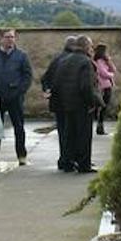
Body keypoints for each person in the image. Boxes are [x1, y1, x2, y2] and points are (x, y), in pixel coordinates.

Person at [51, 35, 102, 173]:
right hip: (82, 104)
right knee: (84, 136)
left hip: (67, 104)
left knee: (69, 135)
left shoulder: (64, 60)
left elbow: (56, 82)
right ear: (86, 46)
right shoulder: (86, 62)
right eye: (91, 46)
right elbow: (86, 86)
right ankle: (84, 164)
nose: (92, 49)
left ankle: (68, 162)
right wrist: (93, 102)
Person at [0, 29, 33, 166]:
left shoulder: (22, 56)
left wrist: (20, 90)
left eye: (12, 37)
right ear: (1, 38)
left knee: (19, 127)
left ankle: (22, 155)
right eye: (7, 37)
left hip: (15, 97)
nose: (10, 40)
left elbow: (27, 76)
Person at [41, 36, 77, 170]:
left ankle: (64, 159)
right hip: (70, 102)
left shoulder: (57, 59)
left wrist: (47, 90)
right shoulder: (73, 60)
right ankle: (69, 160)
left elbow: (45, 78)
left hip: (57, 102)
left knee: (63, 132)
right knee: (72, 132)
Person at [92, 42, 116, 135]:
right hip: (103, 86)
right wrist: (111, 75)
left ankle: (100, 126)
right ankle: (100, 126)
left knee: (104, 106)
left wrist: (109, 61)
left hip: (107, 85)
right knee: (102, 107)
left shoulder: (104, 60)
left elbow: (114, 69)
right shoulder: (98, 61)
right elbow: (103, 73)